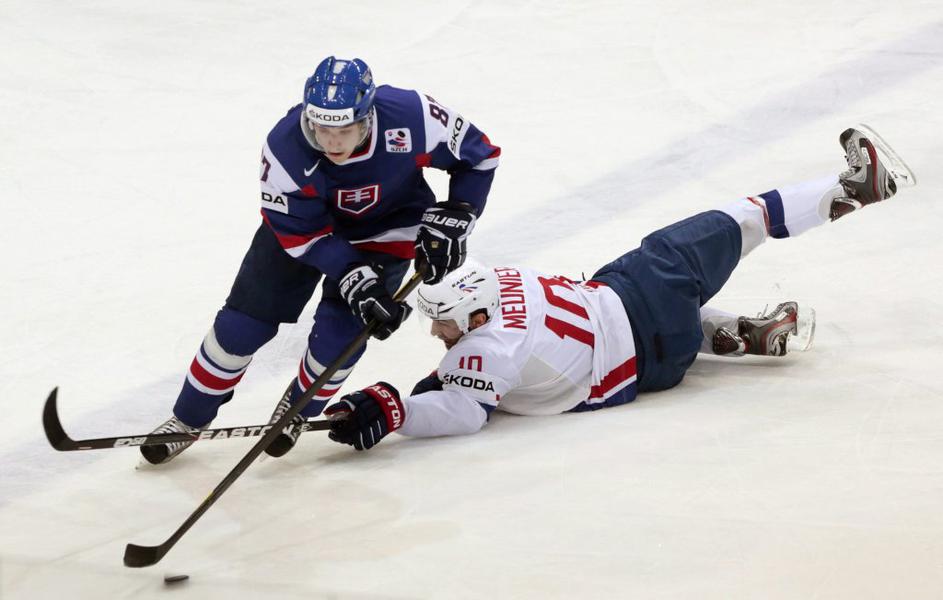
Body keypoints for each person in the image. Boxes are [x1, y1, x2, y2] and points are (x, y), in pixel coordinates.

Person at [322, 126, 914, 451]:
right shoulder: (491, 307)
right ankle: (853, 188)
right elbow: (460, 401)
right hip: (638, 306)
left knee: (659, 281)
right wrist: (399, 409)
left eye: (443, 321)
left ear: (476, 315)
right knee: (737, 220)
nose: (435, 331)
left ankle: (732, 335)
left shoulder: (480, 350)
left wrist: (395, 409)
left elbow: (460, 402)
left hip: (645, 357)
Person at [140, 56, 500, 464]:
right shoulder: (284, 147)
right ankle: (187, 419)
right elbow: (300, 233)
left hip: (385, 233)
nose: (332, 143)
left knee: (340, 340)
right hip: (304, 234)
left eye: (344, 130)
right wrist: (352, 274)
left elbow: (479, 157)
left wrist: (460, 212)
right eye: (322, 129)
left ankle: (297, 409)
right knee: (240, 328)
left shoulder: (413, 116)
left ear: (368, 117)